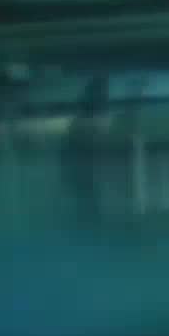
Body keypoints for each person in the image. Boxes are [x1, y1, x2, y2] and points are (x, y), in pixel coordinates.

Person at [64, 75, 111, 228]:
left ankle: (88, 219)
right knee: (87, 193)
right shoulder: (87, 119)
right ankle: (89, 220)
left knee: (87, 193)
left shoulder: (86, 117)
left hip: (82, 165)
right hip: (82, 165)